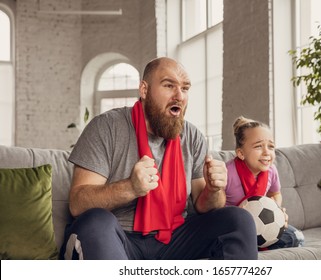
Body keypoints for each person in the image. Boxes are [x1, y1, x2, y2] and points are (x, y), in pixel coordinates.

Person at [60, 57, 258, 260]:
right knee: (95, 221)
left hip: (175, 239)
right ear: (144, 90)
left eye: (185, 88)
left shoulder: (192, 137)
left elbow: (203, 205)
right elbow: (78, 204)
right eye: (169, 85)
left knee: (238, 220)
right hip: (119, 238)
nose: (179, 96)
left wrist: (215, 189)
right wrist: (130, 187)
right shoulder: (106, 127)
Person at [225, 116, 304, 250]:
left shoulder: (271, 171)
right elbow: (214, 207)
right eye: (258, 146)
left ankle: (254, 246)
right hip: (234, 227)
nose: (267, 152)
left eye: (271, 146)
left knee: (296, 237)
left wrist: (276, 210)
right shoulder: (228, 172)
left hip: (264, 228)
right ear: (241, 153)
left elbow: (276, 193)